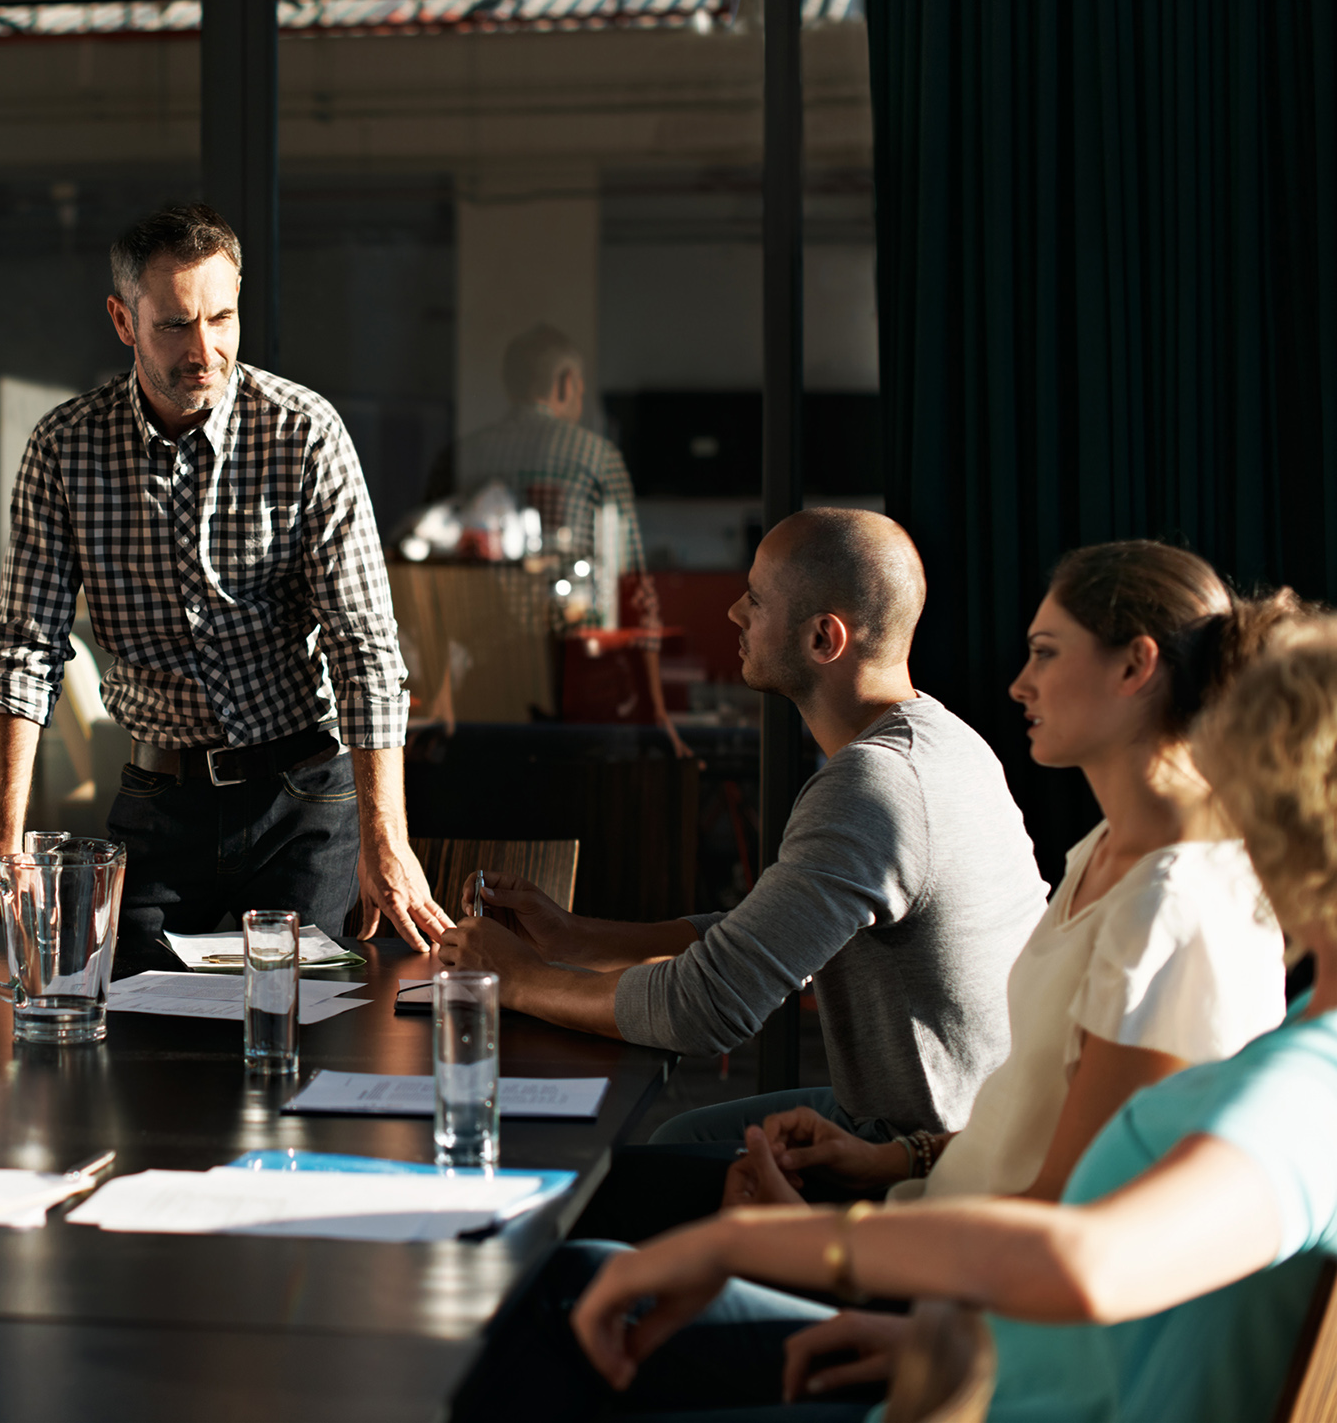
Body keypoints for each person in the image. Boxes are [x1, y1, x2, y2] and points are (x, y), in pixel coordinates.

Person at [453, 611, 1337, 1423]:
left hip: (988, 1399)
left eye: (1221, 779)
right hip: (974, 1359)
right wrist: (924, 1307)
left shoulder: (1299, 1084)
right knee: (577, 1274)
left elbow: (1083, 1258)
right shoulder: (1295, 1033)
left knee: (562, 1300)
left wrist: (762, 1244)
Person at [0, 203, 450, 957]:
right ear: (123, 320)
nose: (205, 349)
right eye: (174, 324)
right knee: (129, 1040)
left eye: (222, 318)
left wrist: (385, 839)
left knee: (299, 1030)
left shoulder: (304, 433)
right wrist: (1, 838)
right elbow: (25, 651)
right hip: (158, 801)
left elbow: (364, 648)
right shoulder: (65, 449)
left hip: (304, 804)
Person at [436, 509, 1046, 1150]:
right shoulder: (946, 741)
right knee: (679, 1142)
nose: (733, 612)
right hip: (965, 1119)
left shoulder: (875, 788)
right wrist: (576, 938)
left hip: (925, 1153)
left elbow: (705, 1008)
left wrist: (519, 980)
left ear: (822, 639)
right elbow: (764, 934)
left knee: (655, 1166)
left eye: (756, 599)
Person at [731, 542, 1293, 1210]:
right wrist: (886, 1159)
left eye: (1047, 652)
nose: (1019, 684)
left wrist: (810, 1240)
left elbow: (1061, 1218)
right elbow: (1032, 1120)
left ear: (1135, 666)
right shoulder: (1102, 849)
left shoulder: (1166, 906)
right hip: (930, 1218)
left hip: (956, 1291)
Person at [449, 322, 684, 750]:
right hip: (578, 679)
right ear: (566, 383)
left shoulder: (463, 456)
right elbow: (633, 588)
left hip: (481, 684)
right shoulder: (596, 457)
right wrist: (657, 712)